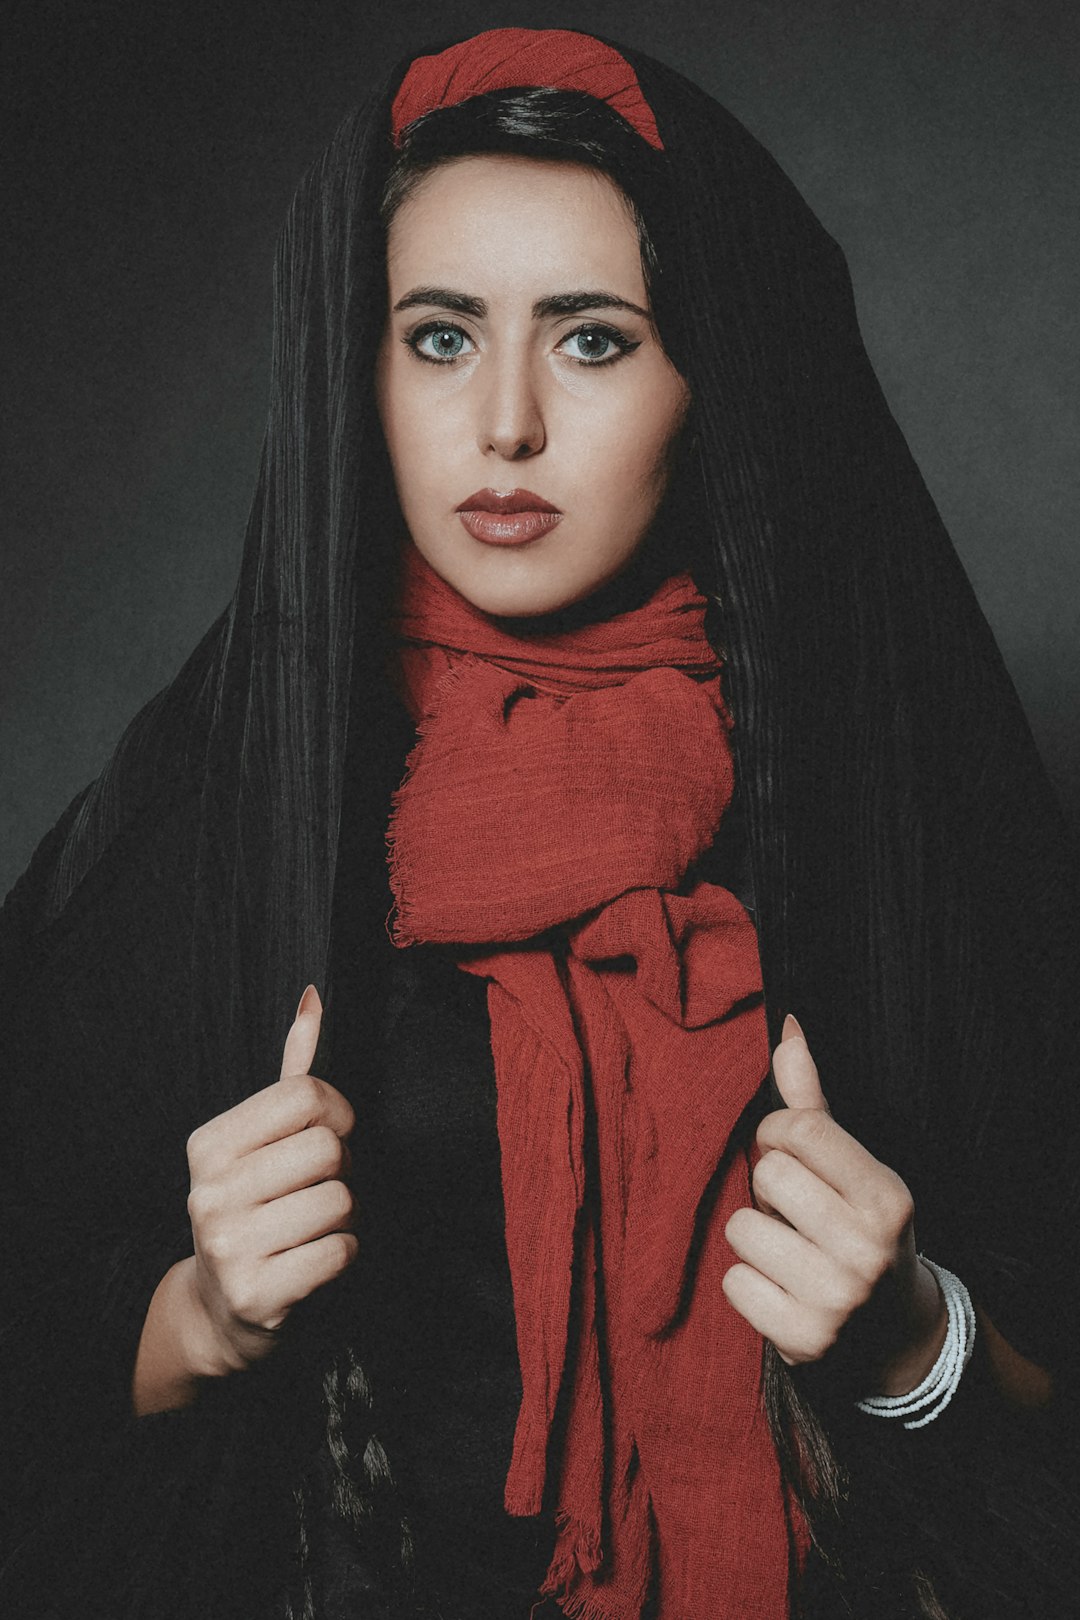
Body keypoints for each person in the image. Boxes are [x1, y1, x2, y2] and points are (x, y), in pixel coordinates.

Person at [1, 24, 1077, 1620]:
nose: (503, 421)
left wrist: (920, 1343)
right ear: (362, 369)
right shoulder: (249, 781)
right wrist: (196, 1324)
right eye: (439, 337)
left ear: (706, 377)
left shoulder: (866, 774)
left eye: (592, 340)